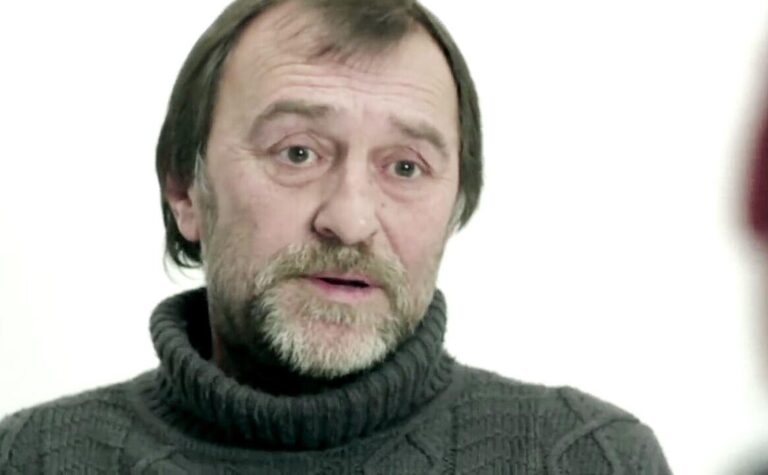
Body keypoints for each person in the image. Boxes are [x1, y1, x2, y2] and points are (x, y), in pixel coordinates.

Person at [0, 0, 671, 472]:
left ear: (454, 207)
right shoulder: (28, 459)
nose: (349, 220)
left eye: (405, 167)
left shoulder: (585, 459)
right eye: (297, 153)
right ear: (185, 192)